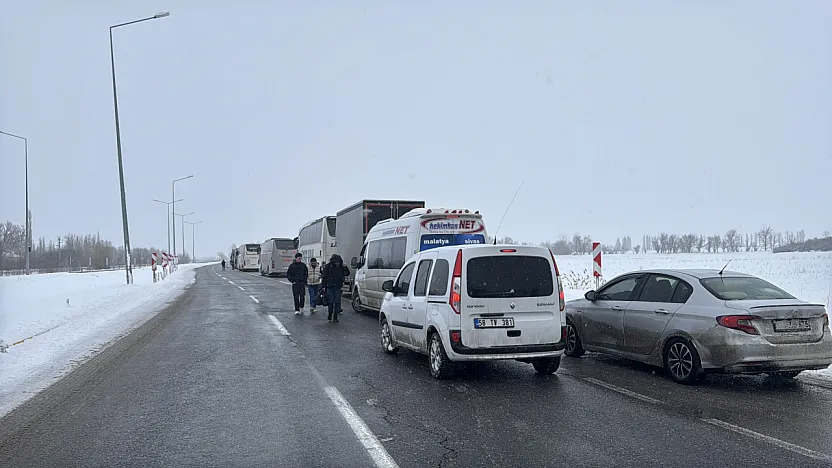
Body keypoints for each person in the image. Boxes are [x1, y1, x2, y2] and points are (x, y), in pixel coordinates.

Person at [321, 254, 350, 322]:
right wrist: (323, 286)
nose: (337, 263)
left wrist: (345, 267)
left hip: (337, 286)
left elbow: (347, 273)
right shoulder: (328, 266)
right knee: (331, 302)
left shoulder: (341, 267)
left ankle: (335, 317)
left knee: (337, 302)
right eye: (336, 262)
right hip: (330, 286)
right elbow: (324, 276)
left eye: (338, 262)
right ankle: (330, 314)